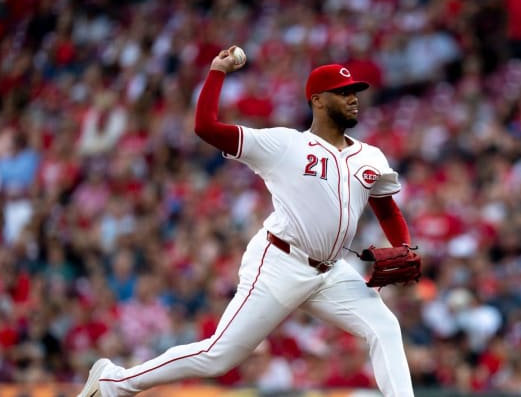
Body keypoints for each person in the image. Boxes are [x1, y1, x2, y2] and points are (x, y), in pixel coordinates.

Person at [77, 45, 418, 397]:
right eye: (343, 92)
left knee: (385, 326)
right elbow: (206, 127)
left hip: (331, 272)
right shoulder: (285, 144)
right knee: (217, 356)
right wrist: (217, 72)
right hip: (281, 262)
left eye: (355, 92)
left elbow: (386, 208)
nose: (353, 99)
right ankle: (113, 381)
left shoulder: (370, 156)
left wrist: (403, 246)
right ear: (317, 100)